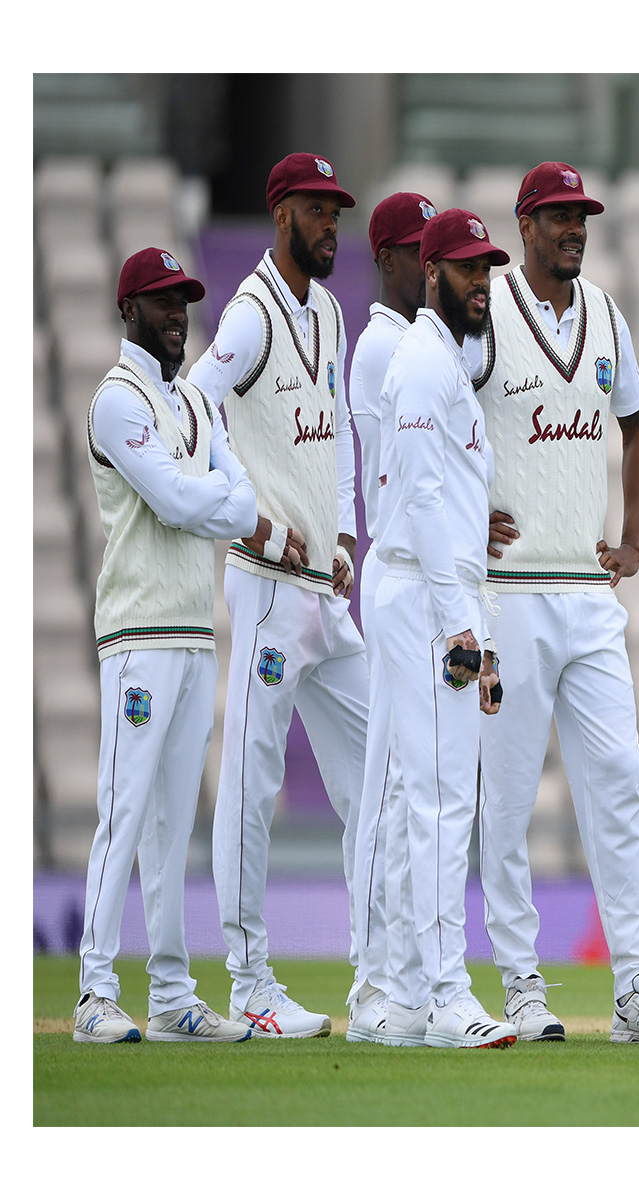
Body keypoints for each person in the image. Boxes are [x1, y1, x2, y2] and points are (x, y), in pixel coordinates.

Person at [471, 162, 639, 1045]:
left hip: (588, 594)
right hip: (510, 597)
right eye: (559, 216)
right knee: (508, 802)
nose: (575, 229)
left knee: (616, 792)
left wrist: (633, 537)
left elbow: (638, 424)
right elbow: (436, 417)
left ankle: (637, 989)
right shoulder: (487, 313)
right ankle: (521, 986)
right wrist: (464, 514)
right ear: (524, 224)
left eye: (582, 216)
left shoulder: (603, 313)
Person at [187, 152, 368, 1038]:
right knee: (252, 785)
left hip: (323, 593)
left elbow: (336, 432)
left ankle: (382, 972)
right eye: (316, 209)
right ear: (280, 214)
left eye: (336, 210)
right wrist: (248, 519)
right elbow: (194, 405)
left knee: (381, 769)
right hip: (264, 588)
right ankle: (251, 983)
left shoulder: (328, 312)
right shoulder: (251, 315)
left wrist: (345, 534)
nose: (331, 223)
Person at [74, 248, 259, 1044]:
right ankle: (94, 992)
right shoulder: (117, 401)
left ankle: (174, 995)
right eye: (161, 301)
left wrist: (203, 495)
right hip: (138, 632)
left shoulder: (194, 403)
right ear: (129, 310)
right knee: (124, 811)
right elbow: (182, 502)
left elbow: (242, 507)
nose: (177, 313)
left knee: (173, 824)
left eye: (182, 300)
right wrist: (209, 494)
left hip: (192, 629)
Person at [370, 208, 516, 1049]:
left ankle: (406, 1000)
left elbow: (442, 497)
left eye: (486, 269)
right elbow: (422, 501)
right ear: (431, 274)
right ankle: (444, 995)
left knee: (416, 798)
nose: (480, 283)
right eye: (465, 269)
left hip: (434, 593)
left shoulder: (441, 363)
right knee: (439, 799)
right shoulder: (427, 364)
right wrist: (464, 630)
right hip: (429, 600)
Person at [343, 190, 436, 1044]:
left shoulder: (420, 343)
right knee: (388, 780)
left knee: (417, 781)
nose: (432, 266)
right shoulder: (381, 346)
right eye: (419, 252)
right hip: (399, 569)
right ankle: (371, 980)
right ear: (387, 259)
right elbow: (404, 472)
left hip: (424, 571)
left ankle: (406, 976)